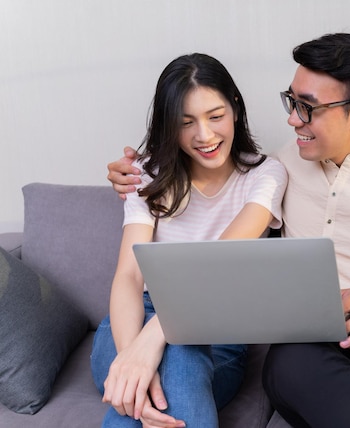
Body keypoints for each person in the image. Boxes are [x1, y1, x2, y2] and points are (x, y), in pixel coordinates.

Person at [107, 33, 350, 428]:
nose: (292, 120)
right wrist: (131, 175)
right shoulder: (283, 166)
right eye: (292, 102)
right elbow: (205, 169)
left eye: (307, 108)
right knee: (288, 365)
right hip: (310, 343)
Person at [92, 53, 287, 428]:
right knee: (156, 382)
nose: (205, 135)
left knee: (177, 361)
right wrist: (134, 355)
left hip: (217, 333)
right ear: (169, 126)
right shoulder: (146, 175)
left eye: (215, 116)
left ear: (235, 109)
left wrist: (154, 339)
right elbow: (130, 278)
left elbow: (215, 264)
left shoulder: (265, 175)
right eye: (186, 123)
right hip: (132, 324)